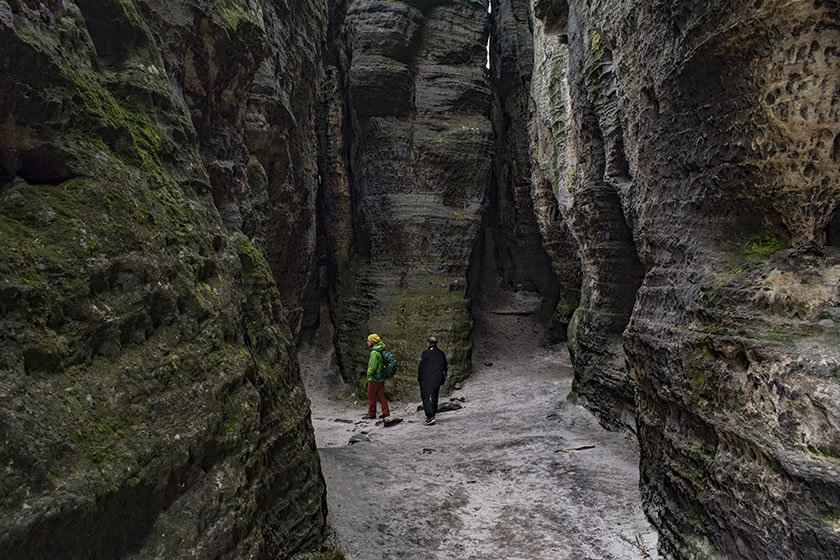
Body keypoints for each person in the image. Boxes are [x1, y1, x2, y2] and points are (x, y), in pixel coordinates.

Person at [417, 336, 447, 426]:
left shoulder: (425, 353)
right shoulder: (441, 353)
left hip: (427, 378)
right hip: (437, 377)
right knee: (434, 396)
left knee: (425, 396)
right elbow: (444, 366)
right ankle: (433, 412)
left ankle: (430, 416)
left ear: (428, 343)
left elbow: (422, 367)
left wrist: (420, 377)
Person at [364, 333, 390, 419]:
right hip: (380, 377)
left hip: (374, 377)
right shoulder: (381, 350)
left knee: (371, 395)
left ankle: (371, 413)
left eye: (369, 341)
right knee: (381, 394)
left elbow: (373, 367)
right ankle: (386, 411)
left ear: (372, 342)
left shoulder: (374, 353)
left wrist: (368, 373)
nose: (367, 342)